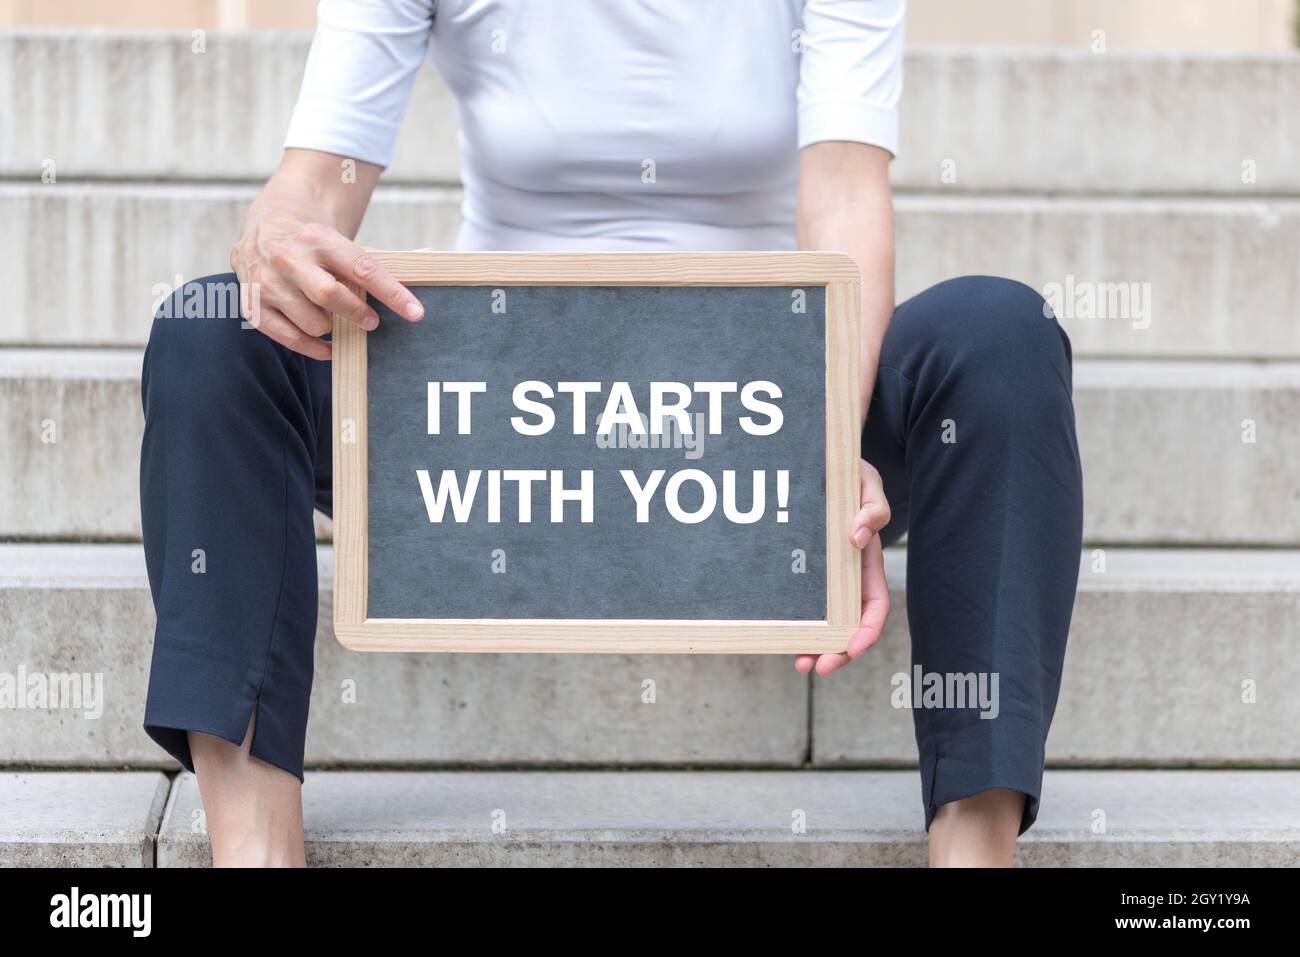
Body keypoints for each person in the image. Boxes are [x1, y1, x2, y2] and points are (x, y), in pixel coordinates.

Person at [140, 0, 1082, 867]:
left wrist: (824, 444)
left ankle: (974, 845)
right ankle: (257, 845)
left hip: (754, 418)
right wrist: (272, 238)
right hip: (499, 419)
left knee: (1001, 333)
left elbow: (843, 198)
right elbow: (312, 192)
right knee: (213, 329)